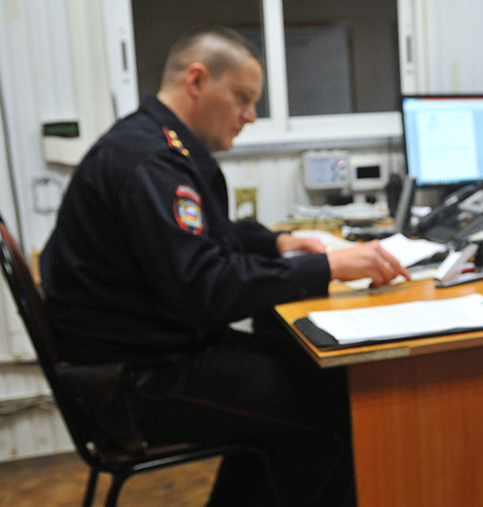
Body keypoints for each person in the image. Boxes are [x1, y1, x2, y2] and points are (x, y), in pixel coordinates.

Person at [39, 26, 409, 506]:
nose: (251, 115)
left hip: (146, 351)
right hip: (133, 379)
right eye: (242, 97)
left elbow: (205, 239)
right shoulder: (150, 161)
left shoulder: (154, 143)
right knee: (339, 406)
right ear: (196, 80)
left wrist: (276, 242)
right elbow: (205, 288)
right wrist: (328, 267)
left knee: (314, 373)